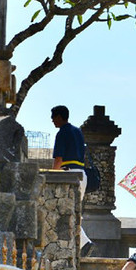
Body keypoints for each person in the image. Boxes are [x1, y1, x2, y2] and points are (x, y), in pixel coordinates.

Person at [50, 105, 92, 250]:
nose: (52, 120)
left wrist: (52, 174)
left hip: (69, 174)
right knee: (75, 210)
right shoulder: (78, 132)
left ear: (59, 117)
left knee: (67, 211)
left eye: (53, 117)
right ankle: (82, 242)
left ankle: (84, 242)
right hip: (82, 174)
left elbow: (59, 159)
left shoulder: (62, 133)